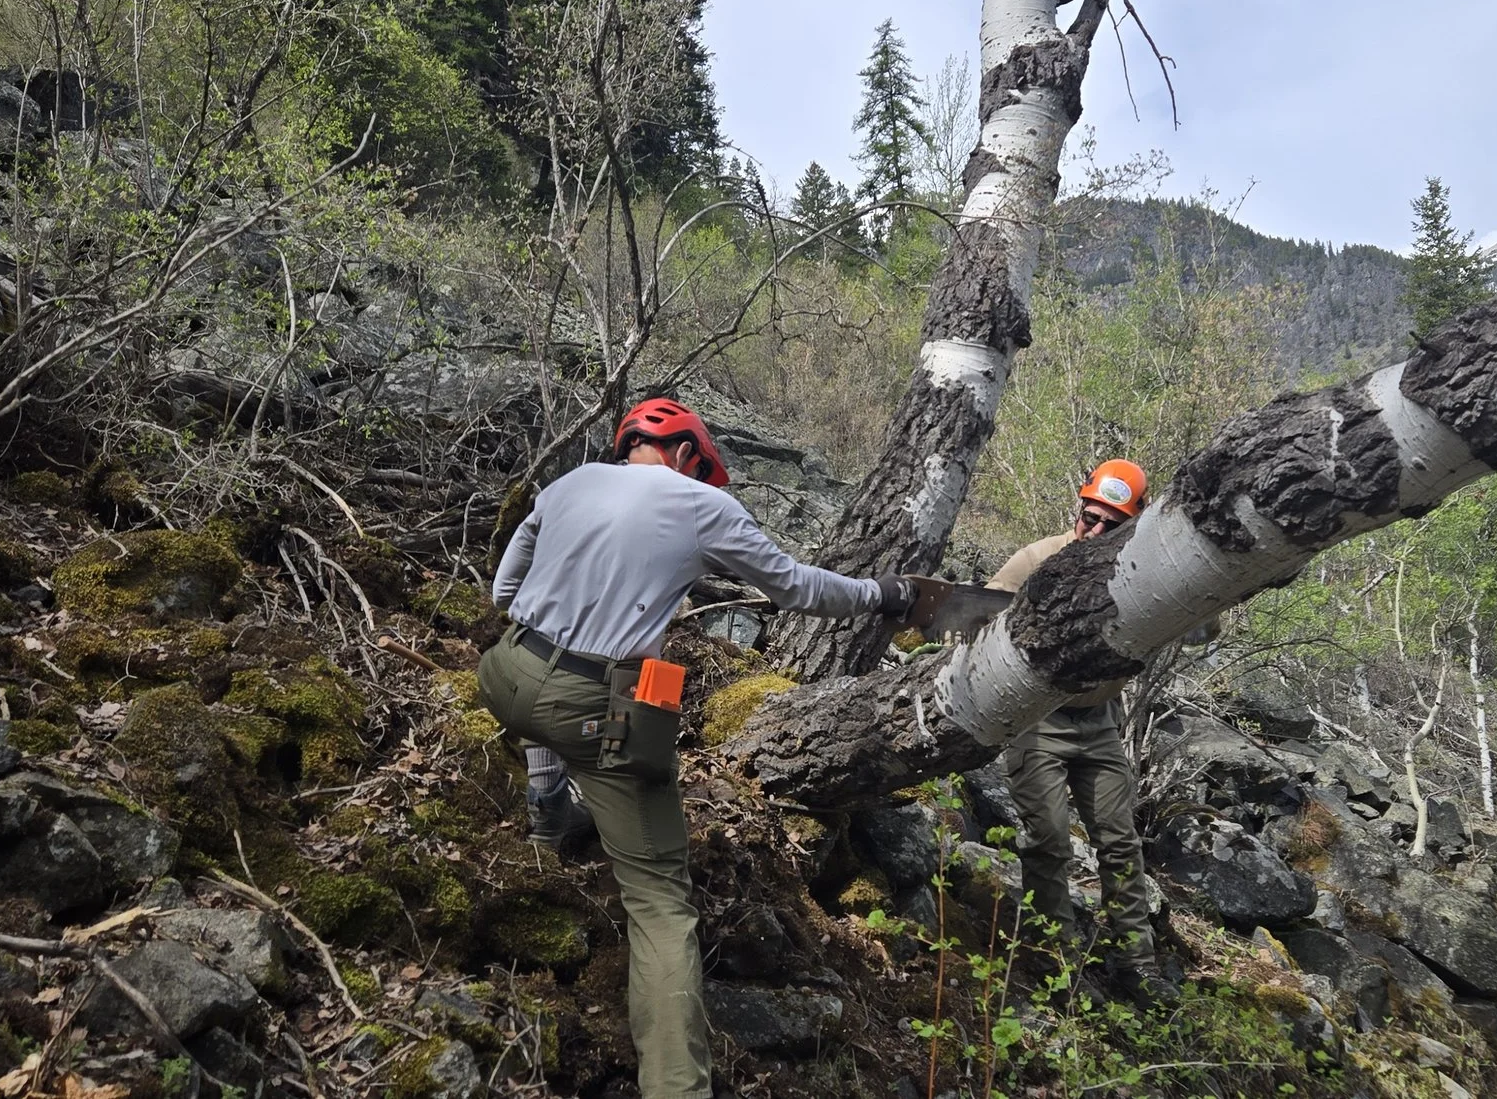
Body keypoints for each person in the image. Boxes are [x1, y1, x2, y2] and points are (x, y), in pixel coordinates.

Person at [480, 397, 911, 1099]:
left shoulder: (570, 482)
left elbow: (505, 589)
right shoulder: (697, 503)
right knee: (661, 905)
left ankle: (548, 809)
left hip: (504, 672)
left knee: (552, 694)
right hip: (587, 706)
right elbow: (795, 586)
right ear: (685, 456)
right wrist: (879, 593)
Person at [988, 458, 1179, 1007]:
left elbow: (1200, 623)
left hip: (1099, 723)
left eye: (1108, 524)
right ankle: (1056, 963)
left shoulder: (1150, 570)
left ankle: (1137, 969)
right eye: (1088, 518)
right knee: (1047, 839)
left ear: (1132, 525)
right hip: (1038, 719)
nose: (1093, 531)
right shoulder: (1038, 558)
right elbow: (982, 608)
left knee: (1120, 843)